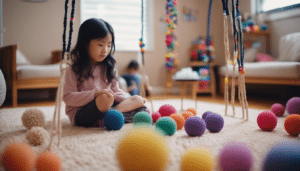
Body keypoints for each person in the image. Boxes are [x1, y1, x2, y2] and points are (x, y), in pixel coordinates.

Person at [63, 18, 147, 127]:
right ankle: (112, 117)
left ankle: (109, 117)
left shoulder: (109, 68)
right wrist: (95, 94)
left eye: (109, 45)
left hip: (108, 106)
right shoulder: (73, 70)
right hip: (83, 112)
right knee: (104, 99)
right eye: (100, 45)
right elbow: (68, 97)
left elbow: (116, 92)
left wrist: (132, 100)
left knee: (138, 99)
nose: (105, 50)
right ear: (85, 43)